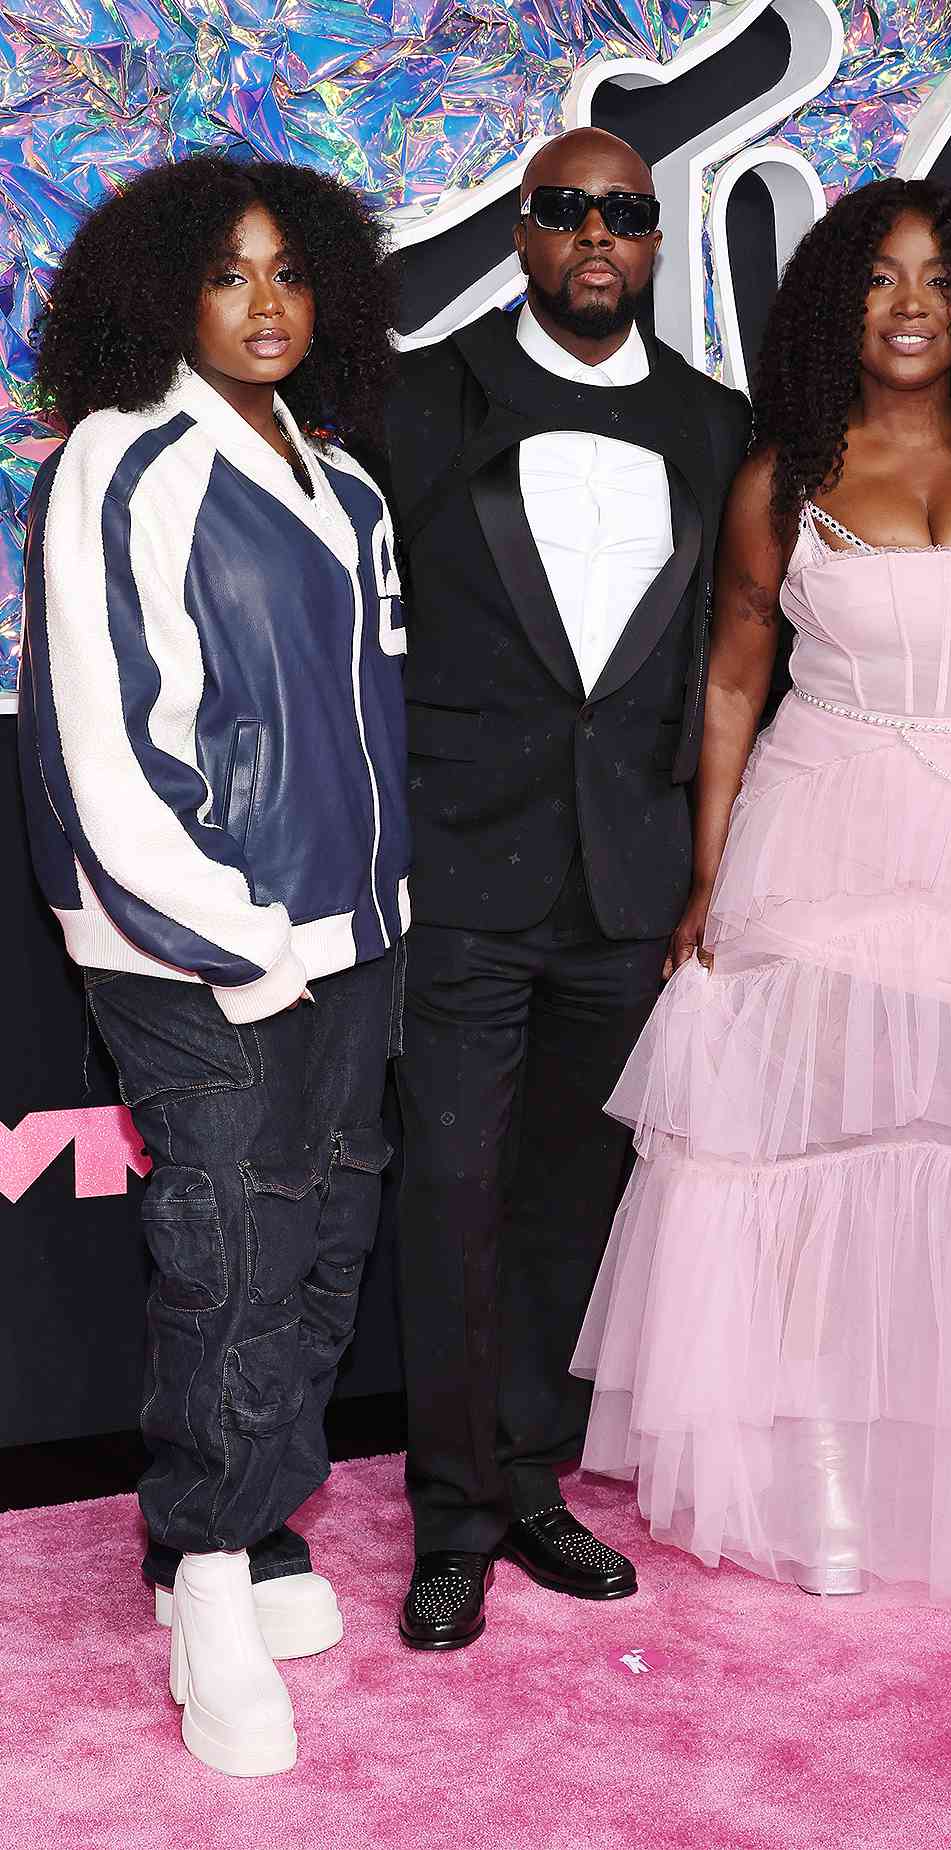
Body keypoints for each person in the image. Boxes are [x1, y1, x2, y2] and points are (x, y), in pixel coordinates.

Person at [573, 178, 951, 1633]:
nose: (909, 303)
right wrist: (715, 876)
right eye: (876, 279)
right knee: (814, 1174)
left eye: (935, 279)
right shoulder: (782, 476)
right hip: (818, 846)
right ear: (834, 309)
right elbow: (734, 680)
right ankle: (825, 1483)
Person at [20, 156, 409, 1772]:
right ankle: (204, 1563)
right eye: (230, 273)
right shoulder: (122, 458)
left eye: (290, 273)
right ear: (166, 290)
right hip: (201, 961)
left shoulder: (352, 484)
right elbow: (94, 747)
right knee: (230, 1266)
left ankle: (243, 1531)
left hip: (358, 943)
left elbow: (365, 736)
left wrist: (374, 914)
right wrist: (235, 945)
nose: (266, 303)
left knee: (323, 1255)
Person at [379, 127, 751, 1649]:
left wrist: (712, 867)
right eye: (565, 210)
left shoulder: (719, 425)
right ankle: (454, 1511)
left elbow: (736, 657)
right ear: (523, 231)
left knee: (567, 1207)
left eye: (626, 216)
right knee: (452, 1194)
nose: (597, 235)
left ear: (654, 244)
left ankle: (532, 1479)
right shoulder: (418, 398)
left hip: (630, 879)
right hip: (463, 864)